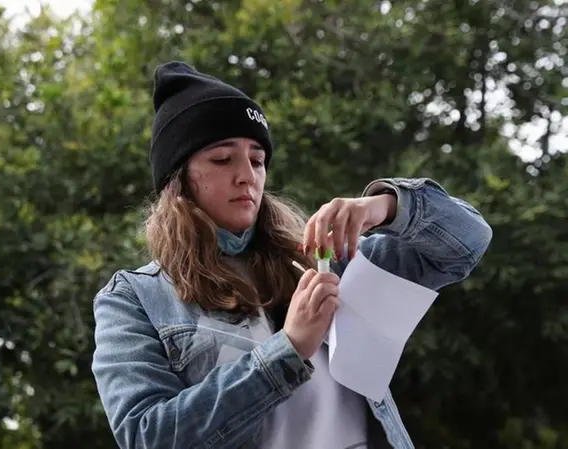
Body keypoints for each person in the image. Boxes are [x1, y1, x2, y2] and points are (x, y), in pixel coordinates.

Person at [90, 61, 492, 449]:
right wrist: (290, 347)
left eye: (257, 159)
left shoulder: (327, 259)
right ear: (176, 179)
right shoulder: (133, 299)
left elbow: (466, 243)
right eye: (222, 158)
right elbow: (148, 436)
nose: (247, 175)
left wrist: (384, 206)